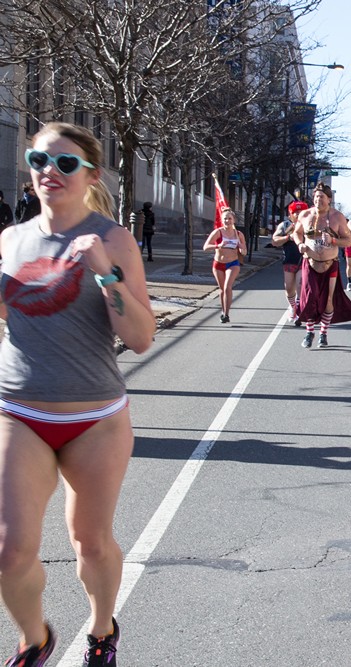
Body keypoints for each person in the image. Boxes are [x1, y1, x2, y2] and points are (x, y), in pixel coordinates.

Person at [0, 121, 155, 666]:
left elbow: (139, 338)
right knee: (8, 551)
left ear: (91, 174)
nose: (50, 172)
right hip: (18, 411)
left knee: (89, 542)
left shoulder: (113, 239)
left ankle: (101, 627)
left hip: (96, 419)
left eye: (66, 164)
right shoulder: (10, 240)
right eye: (40, 160)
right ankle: (34, 637)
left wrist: (106, 275)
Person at [290, 184, 351, 348]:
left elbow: (348, 240)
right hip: (310, 262)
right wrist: (300, 243)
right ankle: (309, 332)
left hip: (330, 264)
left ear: (329, 199)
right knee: (310, 297)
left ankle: (323, 333)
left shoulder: (338, 217)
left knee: (328, 299)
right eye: (316, 196)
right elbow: (296, 232)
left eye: (321, 197)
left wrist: (333, 240)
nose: (318, 200)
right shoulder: (305, 215)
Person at [202, 207, 246, 323]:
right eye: (225, 219)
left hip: (233, 263)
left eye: (230, 219)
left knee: (227, 287)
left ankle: (226, 314)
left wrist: (241, 248)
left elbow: (244, 251)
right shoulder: (218, 232)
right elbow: (205, 247)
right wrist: (218, 246)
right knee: (222, 289)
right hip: (218, 264)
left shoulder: (238, 234)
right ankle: (223, 311)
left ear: (234, 220)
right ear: (222, 220)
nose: (228, 221)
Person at [272, 201, 307, 325]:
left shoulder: (309, 225)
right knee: (289, 288)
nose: (297, 215)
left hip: (303, 260)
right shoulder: (285, 225)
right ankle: (293, 307)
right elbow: (274, 240)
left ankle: (298, 310)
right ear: (290, 215)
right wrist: (287, 237)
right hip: (289, 261)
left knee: (300, 284)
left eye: (300, 212)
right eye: (295, 213)